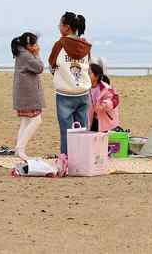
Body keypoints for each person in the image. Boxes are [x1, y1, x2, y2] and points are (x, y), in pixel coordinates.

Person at [48, 11, 92, 155]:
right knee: (83, 129)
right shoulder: (85, 45)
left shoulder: (60, 44)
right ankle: (83, 158)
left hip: (65, 93)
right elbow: (88, 66)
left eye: (60, 24)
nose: (58, 27)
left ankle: (66, 159)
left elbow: (52, 65)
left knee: (66, 131)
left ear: (66, 27)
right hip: (83, 92)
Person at [11, 32, 45, 160]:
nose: (37, 46)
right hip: (28, 95)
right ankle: (20, 148)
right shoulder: (27, 56)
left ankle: (18, 149)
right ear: (29, 45)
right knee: (36, 120)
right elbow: (40, 67)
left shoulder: (21, 53)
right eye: (35, 44)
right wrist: (37, 54)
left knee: (25, 121)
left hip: (24, 94)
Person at [88, 63, 120, 132]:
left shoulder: (106, 88)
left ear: (96, 76)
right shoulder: (85, 88)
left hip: (105, 123)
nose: (86, 75)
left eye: (89, 73)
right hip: (90, 122)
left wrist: (105, 104)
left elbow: (115, 100)